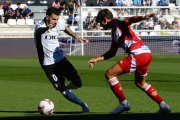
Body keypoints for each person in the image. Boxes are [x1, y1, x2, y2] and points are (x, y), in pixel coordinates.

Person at [88, 9, 171, 114]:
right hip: (146, 54)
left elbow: (130, 19)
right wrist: (97, 59)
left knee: (110, 74)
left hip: (138, 54)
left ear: (104, 20)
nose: (100, 25)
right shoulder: (114, 32)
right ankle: (164, 106)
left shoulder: (116, 21)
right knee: (140, 83)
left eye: (100, 22)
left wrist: (143, 17)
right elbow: (112, 52)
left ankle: (124, 104)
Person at [34, 7, 90, 112]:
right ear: (47, 17)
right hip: (48, 65)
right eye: (54, 19)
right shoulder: (39, 25)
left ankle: (65, 87)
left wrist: (77, 37)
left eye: (57, 19)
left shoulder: (57, 24)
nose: (56, 22)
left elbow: (65, 28)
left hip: (61, 60)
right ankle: (83, 105)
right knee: (62, 90)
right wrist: (48, 28)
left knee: (78, 83)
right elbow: (38, 32)